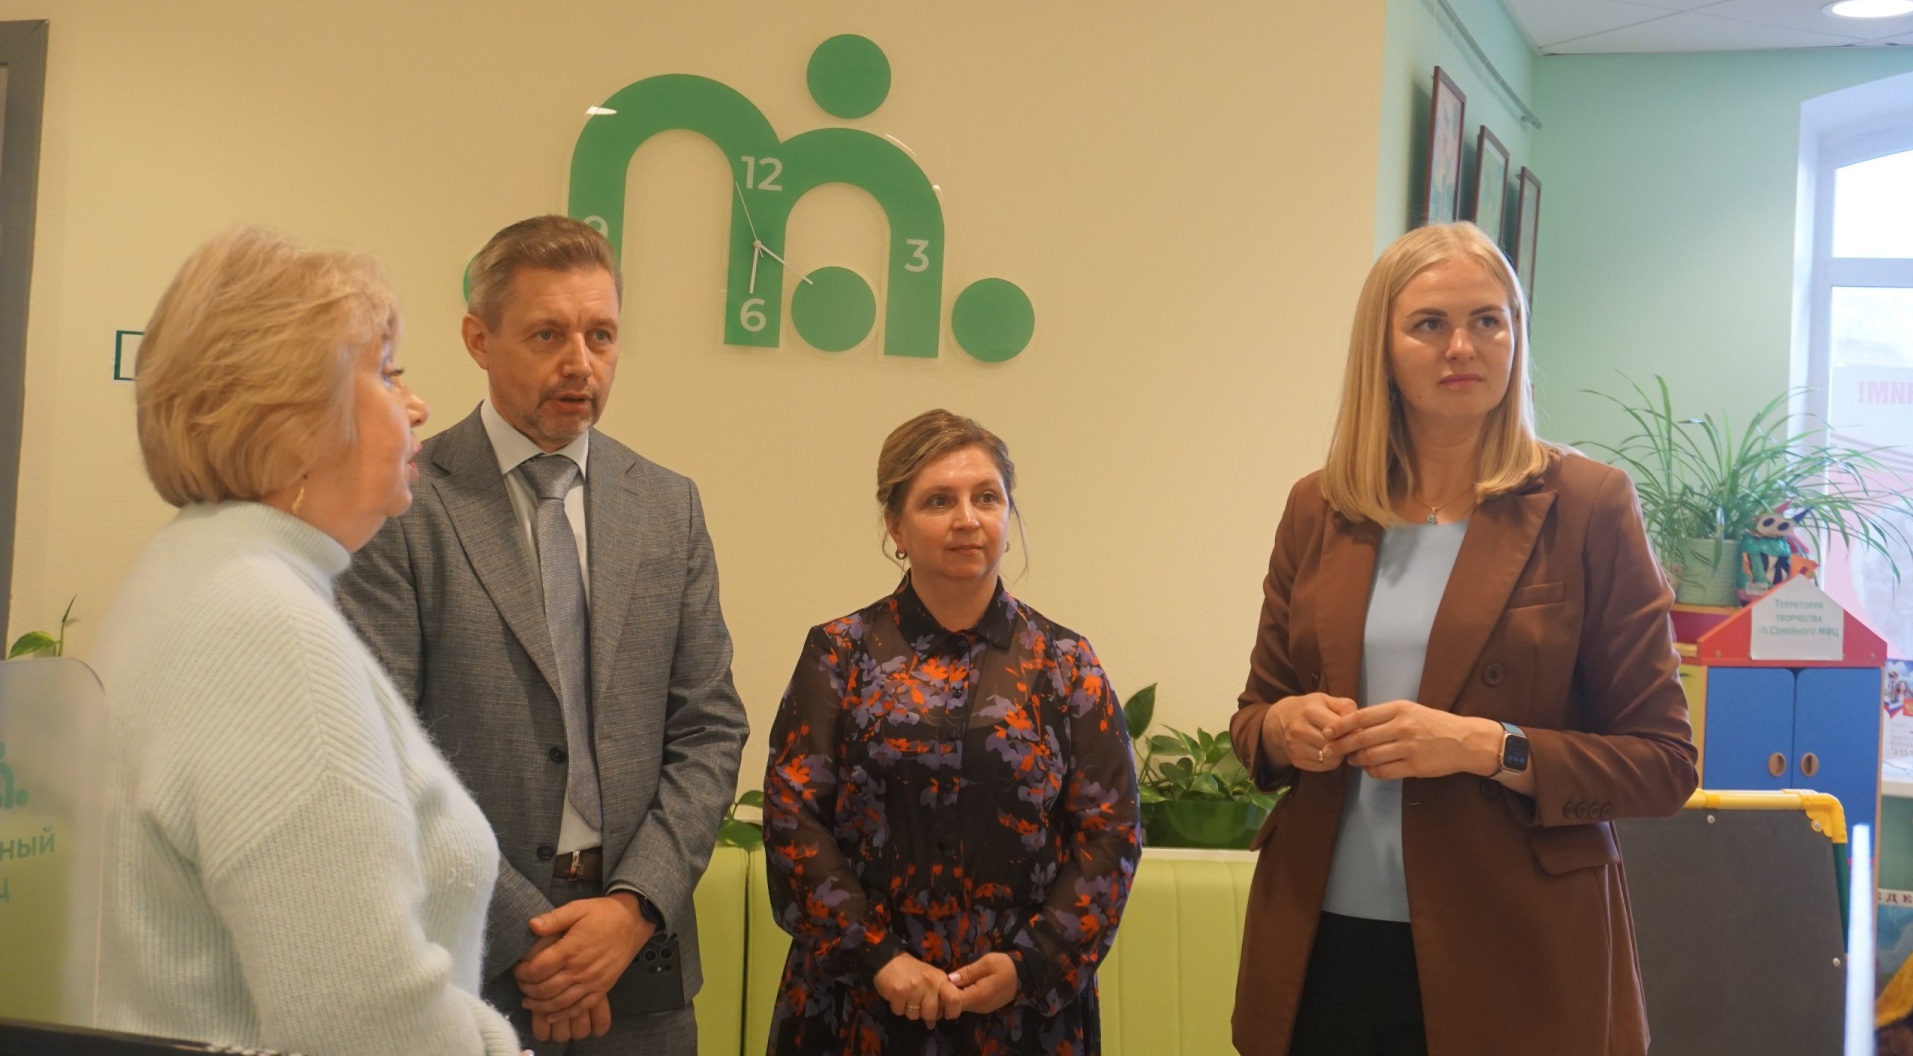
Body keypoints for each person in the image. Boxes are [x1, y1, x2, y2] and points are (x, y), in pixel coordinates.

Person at [1229, 221, 1696, 1056]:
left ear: (1516, 336)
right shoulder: (1319, 506)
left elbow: (1663, 763)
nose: (1462, 347)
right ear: (1382, 349)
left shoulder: (1590, 504)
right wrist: (1283, 727)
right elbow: (1254, 716)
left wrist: (1489, 746)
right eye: (1429, 324)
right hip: (1322, 937)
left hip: (1516, 950)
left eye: (1488, 320)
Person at [94, 228, 524, 1056]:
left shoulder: (196, 571)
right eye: (388, 373)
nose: (417, 406)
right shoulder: (264, 629)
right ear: (295, 421)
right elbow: (367, 1020)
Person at [338, 215, 748, 1055]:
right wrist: (533, 941)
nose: (580, 363)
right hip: (468, 961)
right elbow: (383, 749)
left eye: (601, 335)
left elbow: (709, 728)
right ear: (479, 340)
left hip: (642, 966)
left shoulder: (667, 507)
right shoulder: (405, 502)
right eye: (548, 334)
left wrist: (630, 911)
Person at [762, 409, 1140, 1055]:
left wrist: (1030, 964)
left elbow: (1112, 833)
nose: (967, 519)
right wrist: (878, 957)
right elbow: (792, 818)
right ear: (895, 525)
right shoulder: (839, 653)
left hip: (1022, 1006)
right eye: (939, 500)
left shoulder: (1066, 662)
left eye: (986, 498)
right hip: (859, 998)